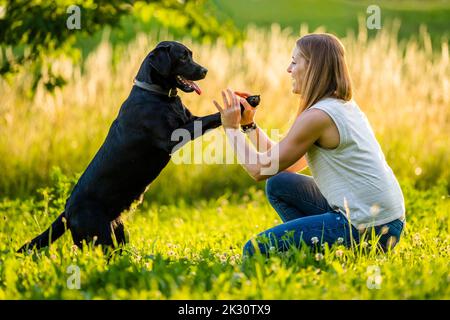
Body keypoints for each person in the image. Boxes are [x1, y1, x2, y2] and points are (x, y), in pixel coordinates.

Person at [213, 33, 406, 257]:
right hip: (387, 221)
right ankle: (314, 249)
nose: (288, 69)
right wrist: (249, 126)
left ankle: (314, 250)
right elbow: (285, 164)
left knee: (254, 250)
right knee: (280, 183)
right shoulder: (340, 106)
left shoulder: (318, 116)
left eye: (294, 62)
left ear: (313, 67)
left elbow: (259, 169)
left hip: (369, 227)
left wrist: (231, 128)